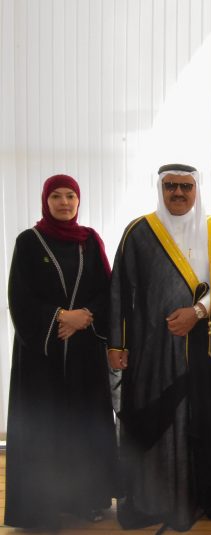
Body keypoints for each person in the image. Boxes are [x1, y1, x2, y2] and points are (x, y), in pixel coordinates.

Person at [108, 163, 211, 531]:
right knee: (159, 421)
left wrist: (197, 312)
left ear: (196, 189)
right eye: (170, 186)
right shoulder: (139, 232)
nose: (178, 193)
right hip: (153, 353)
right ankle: (155, 500)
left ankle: (203, 497)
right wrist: (117, 344)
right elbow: (120, 290)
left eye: (186, 186)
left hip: (207, 351)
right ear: (160, 188)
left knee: (203, 422)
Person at [5, 174, 118, 529]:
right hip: (42, 355)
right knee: (45, 426)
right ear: (46, 200)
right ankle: (41, 506)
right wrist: (59, 317)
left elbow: (106, 290)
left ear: (79, 200)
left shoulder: (90, 241)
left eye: (71, 196)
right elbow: (19, 296)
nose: (65, 202)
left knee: (84, 425)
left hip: (84, 351)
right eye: (57, 196)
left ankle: (87, 500)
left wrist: (85, 316)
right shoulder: (29, 241)